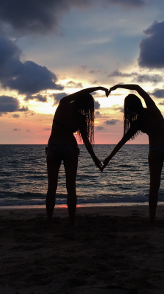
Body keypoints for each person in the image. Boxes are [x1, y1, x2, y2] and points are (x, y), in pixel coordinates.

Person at [103, 84, 164, 225]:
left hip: (155, 149)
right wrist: (118, 86)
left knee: (154, 187)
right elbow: (137, 87)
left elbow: (122, 142)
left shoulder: (138, 123)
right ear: (139, 102)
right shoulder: (152, 109)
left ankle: (152, 219)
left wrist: (108, 158)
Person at [46, 86, 107, 226]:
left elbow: (79, 93)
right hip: (70, 149)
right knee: (71, 187)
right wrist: (95, 159)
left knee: (52, 187)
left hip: (53, 147)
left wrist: (95, 88)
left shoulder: (63, 104)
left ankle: (49, 220)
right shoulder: (80, 117)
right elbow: (86, 141)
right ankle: (72, 221)